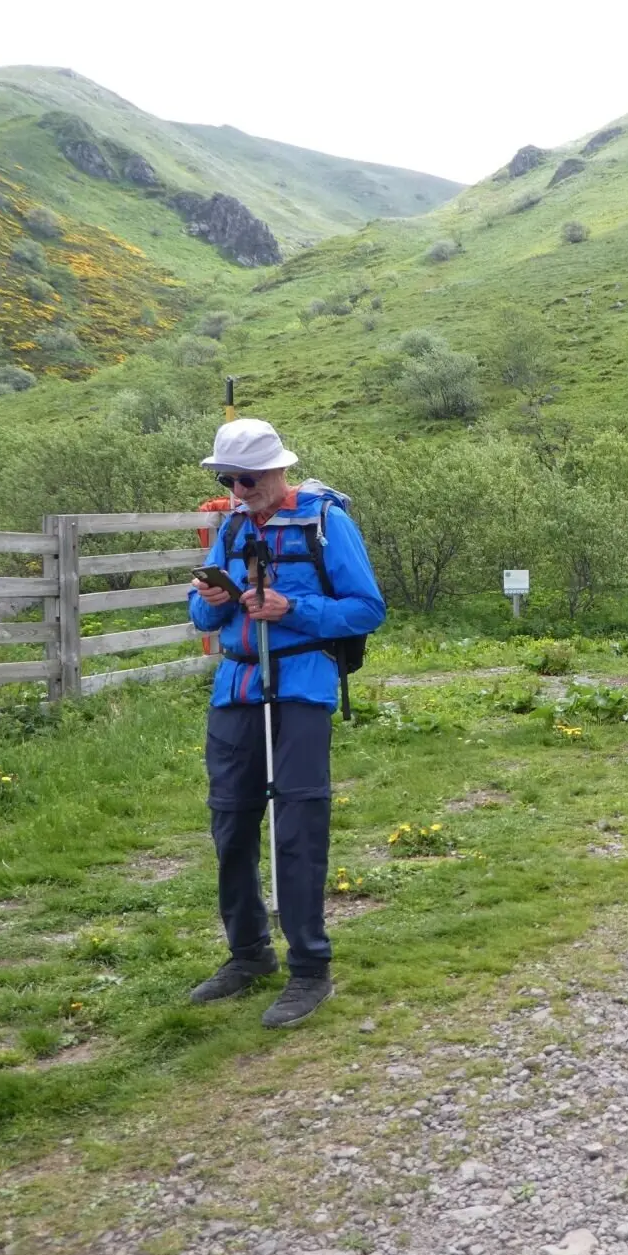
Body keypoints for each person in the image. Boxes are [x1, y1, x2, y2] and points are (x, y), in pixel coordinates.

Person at [187, 418, 386, 1027]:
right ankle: (248, 956)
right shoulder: (231, 527)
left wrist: (292, 607)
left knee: (297, 828)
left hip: (301, 688)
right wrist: (212, 600)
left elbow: (367, 609)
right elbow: (199, 614)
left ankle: (310, 970)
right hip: (235, 690)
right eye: (228, 479)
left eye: (246, 478)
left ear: (278, 471)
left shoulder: (329, 523)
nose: (238, 489)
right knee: (231, 825)